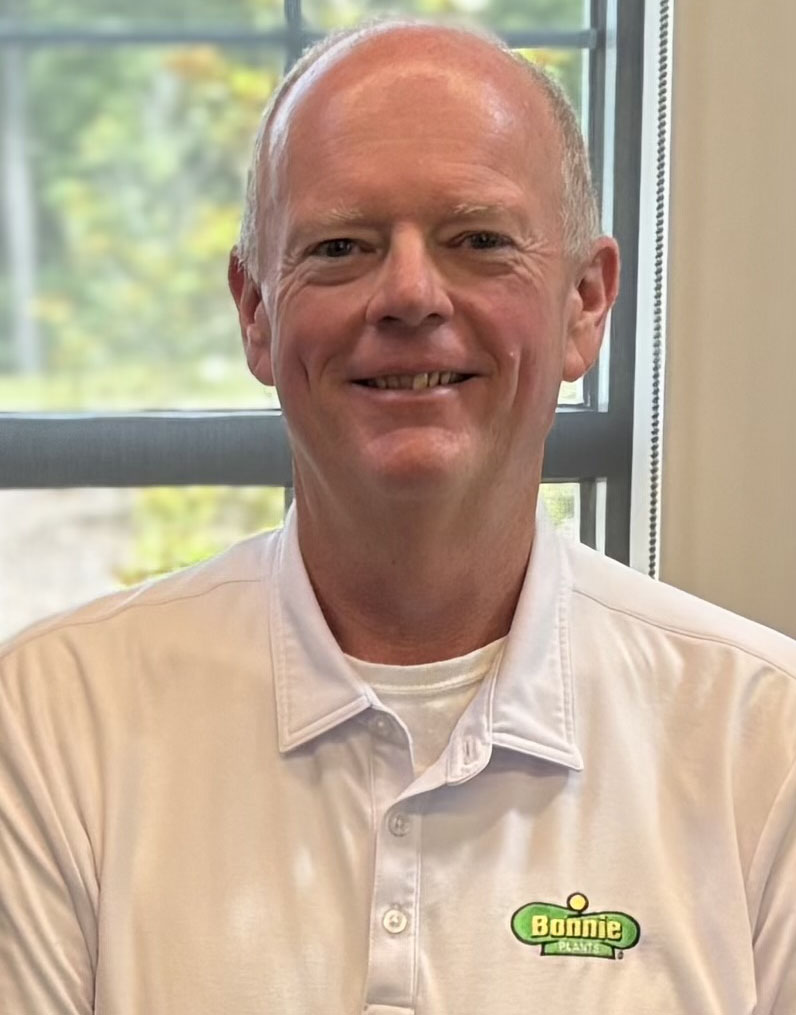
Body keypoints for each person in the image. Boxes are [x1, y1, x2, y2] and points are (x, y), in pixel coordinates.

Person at [1, 18, 794, 1015]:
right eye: (340, 247)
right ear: (256, 312)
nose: (410, 295)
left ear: (585, 304)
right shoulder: (51, 722)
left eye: (479, 241)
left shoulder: (764, 743)